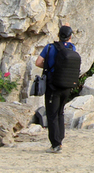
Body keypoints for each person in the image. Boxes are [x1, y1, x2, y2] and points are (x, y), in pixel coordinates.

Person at [35, 25, 77, 153]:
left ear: (58, 35)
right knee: (60, 112)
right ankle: (60, 140)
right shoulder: (72, 48)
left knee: (52, 114)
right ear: (70, 37)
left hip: (53, 86)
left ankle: (55, 144)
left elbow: (38, 62)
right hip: (66, 86)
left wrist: (48, 65)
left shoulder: (49, 48)